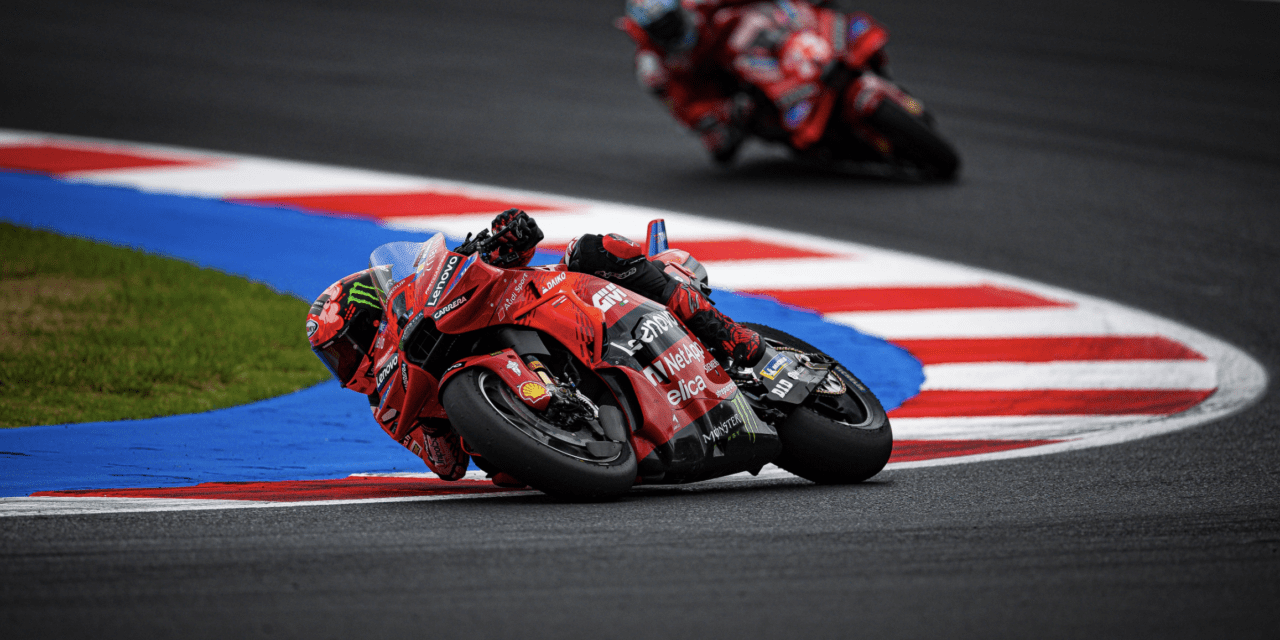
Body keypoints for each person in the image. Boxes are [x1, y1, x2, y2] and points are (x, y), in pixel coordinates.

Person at [306, 209, 765, 484]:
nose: (346, 363)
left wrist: (502, 240)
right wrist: (440, 421)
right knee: (500, 472)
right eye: (336, 358)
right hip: (539, 446)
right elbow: (447, 466)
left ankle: (735, 338)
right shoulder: (386, 406)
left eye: (346, 346)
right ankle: (587, 426)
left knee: (599, 248)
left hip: (559, 304)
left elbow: (510, 250)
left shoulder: (426, 295)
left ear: (373, 316)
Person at [620, 0, 854, 163]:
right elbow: (683, 107)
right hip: (725, 90)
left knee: (773, 16)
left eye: (671, 20)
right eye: (659, 28)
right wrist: (720, 113)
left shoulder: (702, 5)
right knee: (719, 144)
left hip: (750, 48)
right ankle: (801, 131)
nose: (669, 30)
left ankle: (823, 55)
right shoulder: (653, 65)